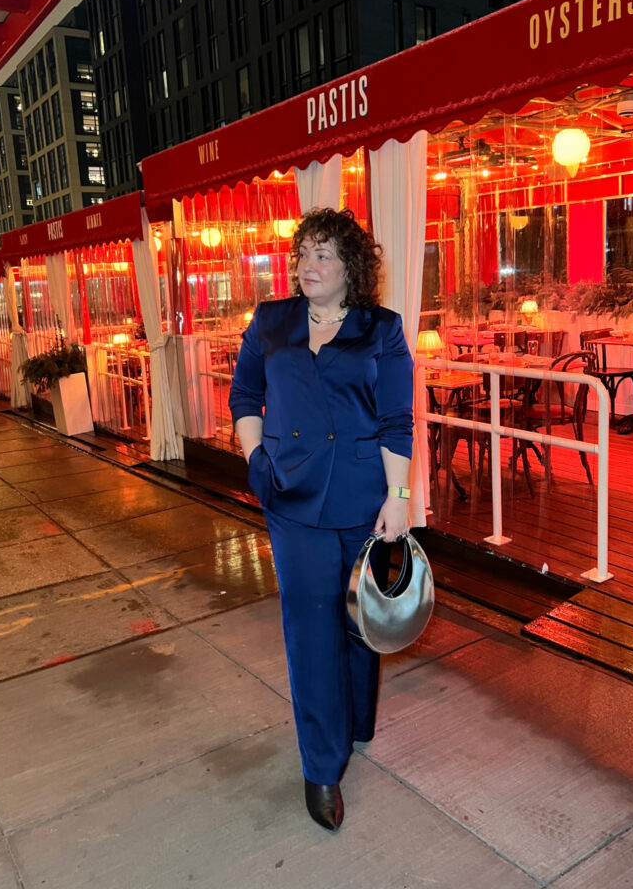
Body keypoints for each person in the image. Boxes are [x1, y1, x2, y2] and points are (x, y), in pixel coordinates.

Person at [229, 206, 413, 832]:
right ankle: (321, 766)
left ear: (351, 268)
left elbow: (396, 420)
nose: (308, 265)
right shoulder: (271, 319)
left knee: (362, 621)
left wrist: (399, 496)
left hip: (364, 498)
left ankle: (358, 718)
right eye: (304, 253)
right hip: (292, 498)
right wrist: (257, 459)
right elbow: (244, 393)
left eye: (324, 255)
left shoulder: (381, 329)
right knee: (310, 630)